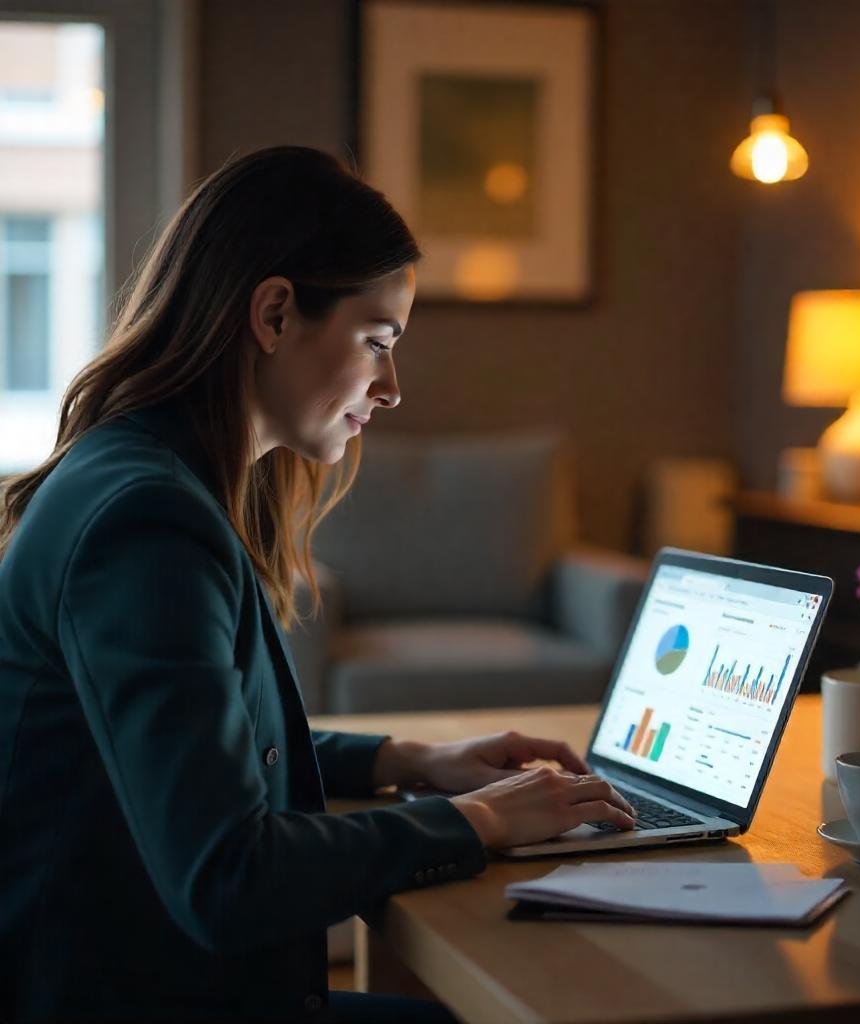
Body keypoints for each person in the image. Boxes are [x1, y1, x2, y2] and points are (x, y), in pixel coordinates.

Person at [0, 146, 635, 1023]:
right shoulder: (146, 526)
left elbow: (200, 749)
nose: (393, 387)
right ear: (273, 312)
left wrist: (406, 760)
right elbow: (228, 874)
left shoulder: (145, 480)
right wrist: (481, 821)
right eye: (378, 342)